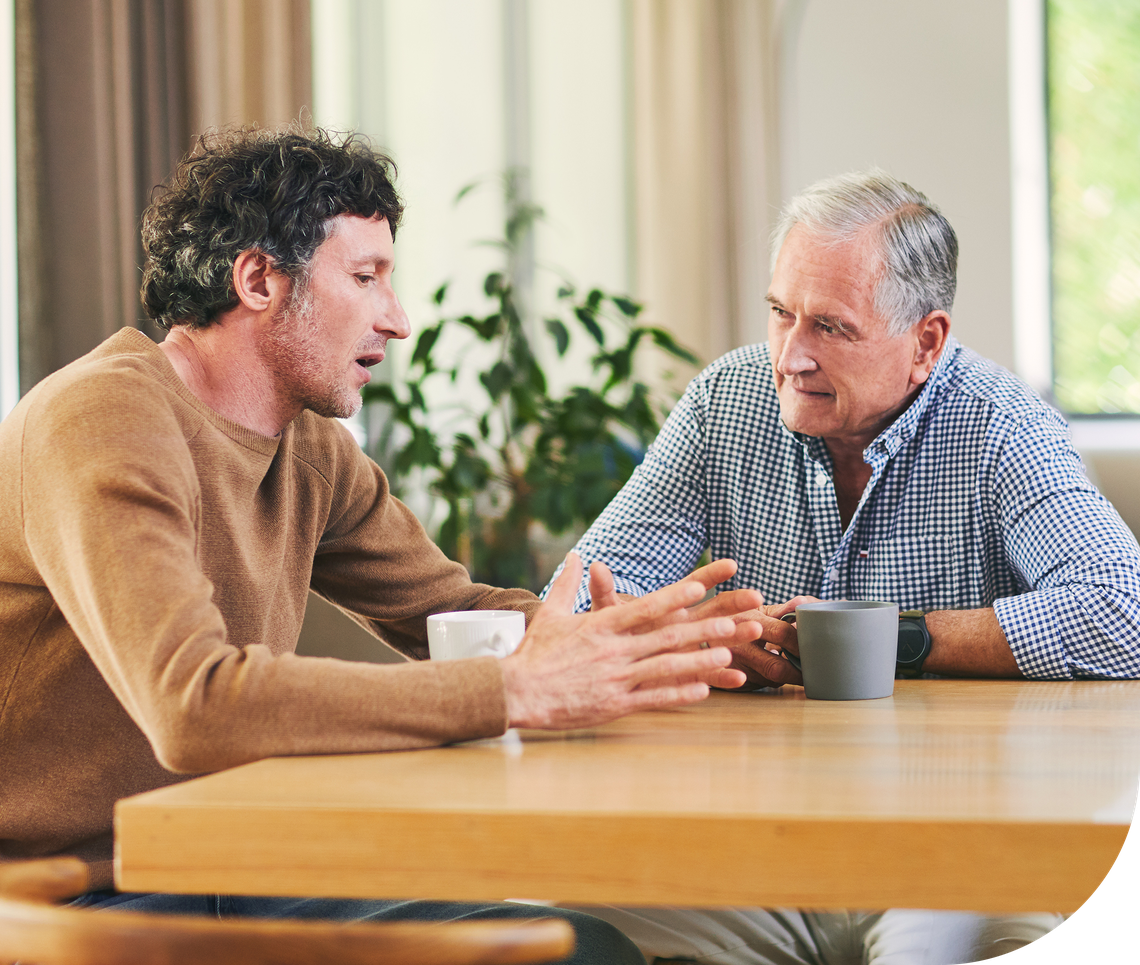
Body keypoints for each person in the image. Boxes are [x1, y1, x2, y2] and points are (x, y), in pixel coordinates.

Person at [0, 127, 768, 965]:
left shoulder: (309, 449)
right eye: (366, 278)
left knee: (582, 946)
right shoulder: (102, 420)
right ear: (258, 280)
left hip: (217, 864)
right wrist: (513, 689)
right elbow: (195, 704)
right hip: (62, 903)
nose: (398, 320)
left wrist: (652, 644)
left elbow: (453, 612)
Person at [549, 170, 1140, 963]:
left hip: (956, 843)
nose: (791, 356)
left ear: (926, 342)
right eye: (780, 313)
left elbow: (1123, 608)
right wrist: (695, 637)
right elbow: (573, 602)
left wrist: (890, 639)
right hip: (760, 841)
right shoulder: (725, 402)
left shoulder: (1003, 427)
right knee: (560, 926)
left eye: (830, 326)